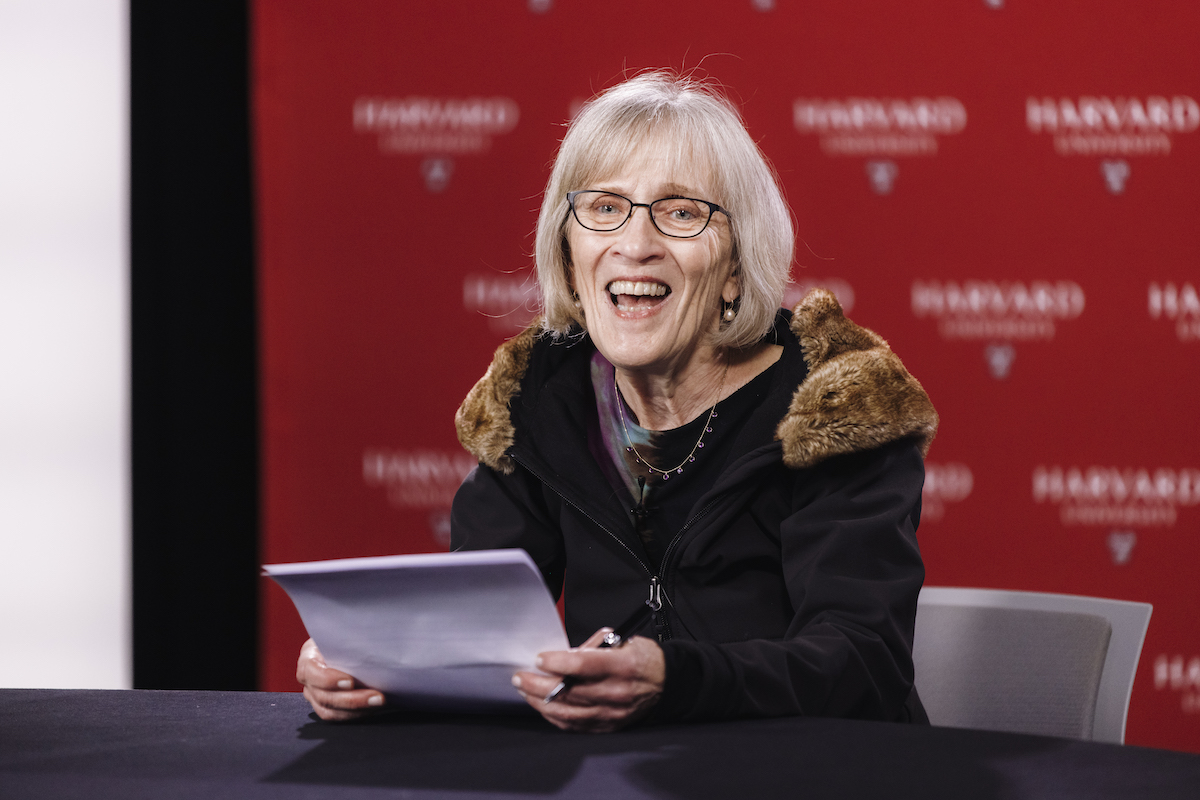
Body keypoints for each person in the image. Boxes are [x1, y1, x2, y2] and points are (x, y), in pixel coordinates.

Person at [298, 71, 938, 732]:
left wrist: (675, 679)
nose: (635, 246)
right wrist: (369, 665)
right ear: (571, 257)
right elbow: (472, 636)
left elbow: (862, 665)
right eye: (604, 208)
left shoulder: (835, 410)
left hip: (810, 772)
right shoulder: (542, 402)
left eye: (682, 212)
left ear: (737, 269)